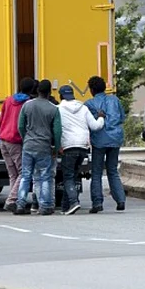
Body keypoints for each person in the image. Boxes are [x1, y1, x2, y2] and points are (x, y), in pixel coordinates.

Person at [56, 85, 105, 215]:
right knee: (73, 175)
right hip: (83, 146)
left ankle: (73, 202)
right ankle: (65, 207)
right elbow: (95, 126)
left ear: (60, 96)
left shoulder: (58, 109)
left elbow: (56, 129)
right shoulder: (83, 108)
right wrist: (101, 117)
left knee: (68, 176)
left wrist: (57, 145)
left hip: (68, 146)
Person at [14, 79, 61, 216]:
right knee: (45, 176)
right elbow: (57, 131)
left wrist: (26, 138)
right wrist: (56, 147)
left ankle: (20, 204)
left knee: (25, 176)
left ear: (38, 91)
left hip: (28, 145)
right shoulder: (54, 108)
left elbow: (21, 126)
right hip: (44, 146)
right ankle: (45, 206)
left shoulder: (27, 106)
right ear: (49, 92)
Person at [84, 76, 127, 213]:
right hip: (115, 139)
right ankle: (120, 200)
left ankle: (97, 202)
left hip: (99, 140)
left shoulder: (89, 104)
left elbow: (88, 123)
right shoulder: (115, 100)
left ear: (91, 90)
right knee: (112, 170)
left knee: (96, 172)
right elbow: (122, 117)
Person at [0, 77, 35, 212]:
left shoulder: (8, 100)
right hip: (15, 141)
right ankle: (11, 200)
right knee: (23, 172)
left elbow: (1, 119)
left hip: (3, 139)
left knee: (13, 174)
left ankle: (14, 199)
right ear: (32, 90)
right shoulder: (28, 104)